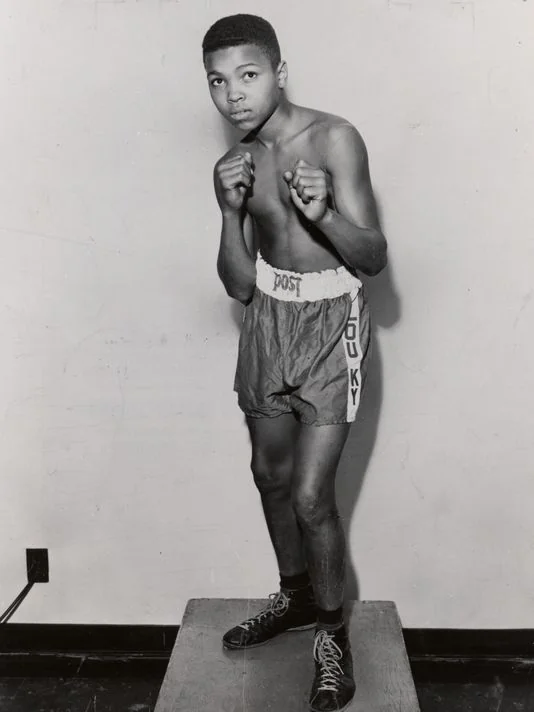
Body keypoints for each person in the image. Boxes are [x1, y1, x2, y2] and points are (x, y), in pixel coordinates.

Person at [202, 13, 387, 712]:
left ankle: (333, 634)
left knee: (313, 497)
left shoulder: (334, 138)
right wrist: (227, 211)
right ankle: (297, 597)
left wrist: (325, 217)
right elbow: (239, 285)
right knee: (268, 475)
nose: (234, 96)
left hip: (330, 322)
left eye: (248, 76)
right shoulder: (238, 160)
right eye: (218, 82)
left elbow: (372, 257)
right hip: (267, 319)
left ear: (279, 72)